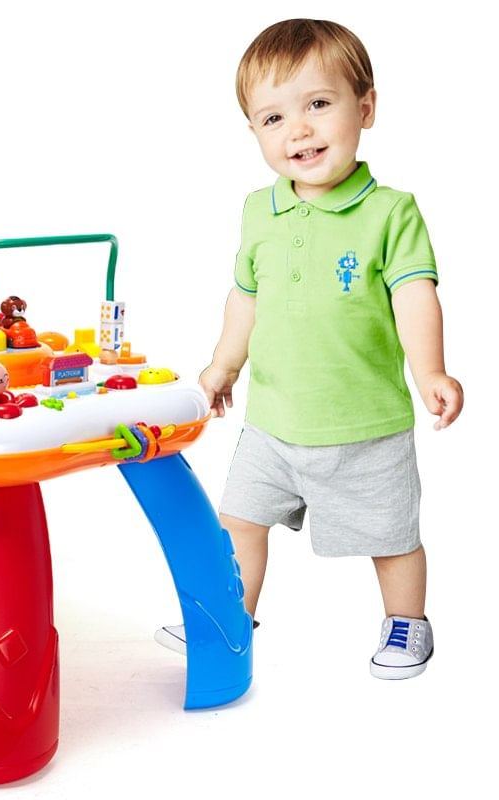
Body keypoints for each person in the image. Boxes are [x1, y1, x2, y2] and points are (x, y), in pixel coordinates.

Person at [155, 19, 463, 679]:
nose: (298, 130)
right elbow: (246, 298)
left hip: (364, 425)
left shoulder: (390, 212)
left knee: (392, 537)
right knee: (238, 522)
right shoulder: (258, 211)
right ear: (254, 131)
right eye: (274, 118)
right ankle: (232, 616)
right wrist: (222, 365)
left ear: (366, 107)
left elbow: (415, 294)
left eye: (318, 104)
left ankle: (407, 621)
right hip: (272, 422)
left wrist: (431, 371)